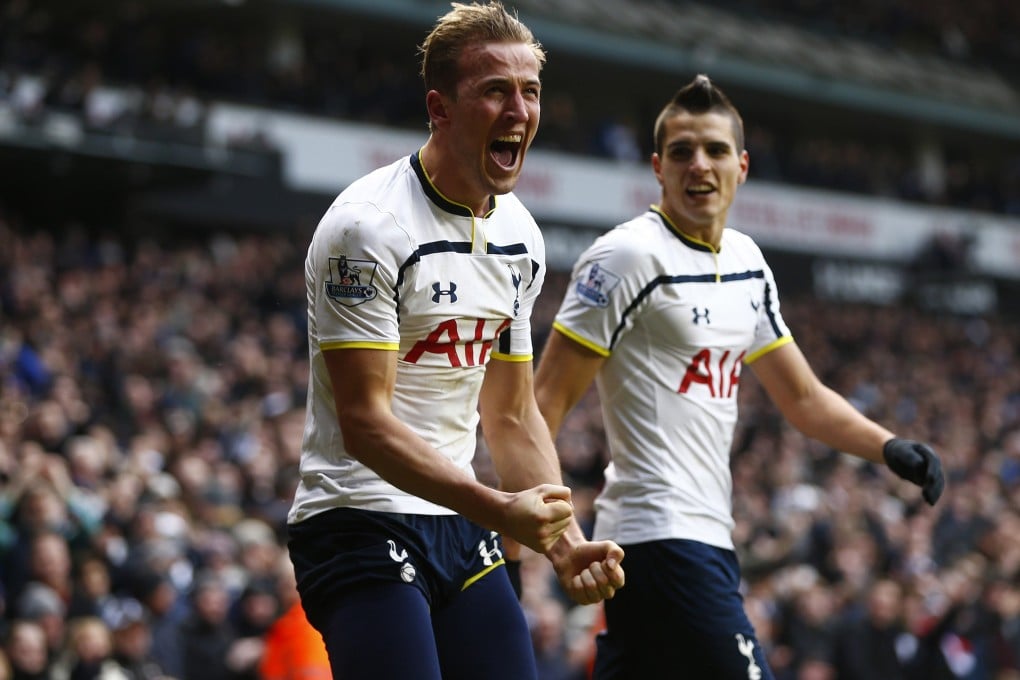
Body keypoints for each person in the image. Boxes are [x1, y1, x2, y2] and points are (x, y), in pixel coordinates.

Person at [533, 74, 945, 679]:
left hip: (705, 535)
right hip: (660, 535)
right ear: (657, 167)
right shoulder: (625, 258)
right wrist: (558, 533)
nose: (699, 164)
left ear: (742, 165)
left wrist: (887, 447)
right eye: (681, 151)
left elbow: (802, 398)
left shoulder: (749, 263)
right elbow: (542, 404)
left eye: (715, 150)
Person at [285, 3, 625, 679]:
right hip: (357, 514)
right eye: (495, 89)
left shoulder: (520, 236)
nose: (518, 109)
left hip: (457, 519)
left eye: (529, 91)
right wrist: (500, 508)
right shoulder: (368, 227)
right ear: (439, 109)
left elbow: (511, 413)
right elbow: (365, 425)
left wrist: (564, 541)